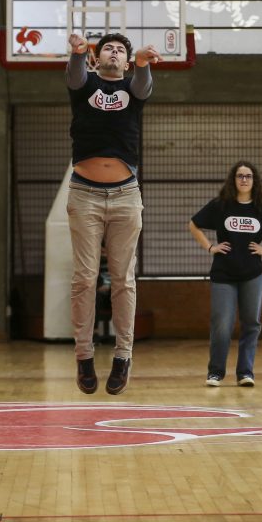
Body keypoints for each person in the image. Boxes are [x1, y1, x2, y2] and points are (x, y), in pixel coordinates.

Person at [66, 32, 159, 395]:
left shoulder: (134, 89)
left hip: (125, 194)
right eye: (109, 48)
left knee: (123, 279)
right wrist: (76, 54)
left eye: (121, 50)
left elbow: (143, 83)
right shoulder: (84, 82)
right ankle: (84, 355)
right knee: (85, 279)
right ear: (96, 56)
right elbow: (73, 74)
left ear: (126, 60)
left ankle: (123, 356)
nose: (115, 52)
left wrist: (143, 63)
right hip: (84, 194)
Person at [189, 161, 262, 387]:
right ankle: (215, 372)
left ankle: (245, 372)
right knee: (222, 324)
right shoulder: (221, 205)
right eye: (239, 176)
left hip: (252, 275)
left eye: (248, 176)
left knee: (251, 323)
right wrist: (210, 247)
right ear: (233, 180)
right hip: (223, 274)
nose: (244, 180)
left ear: (254, 181)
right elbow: (194, 224)